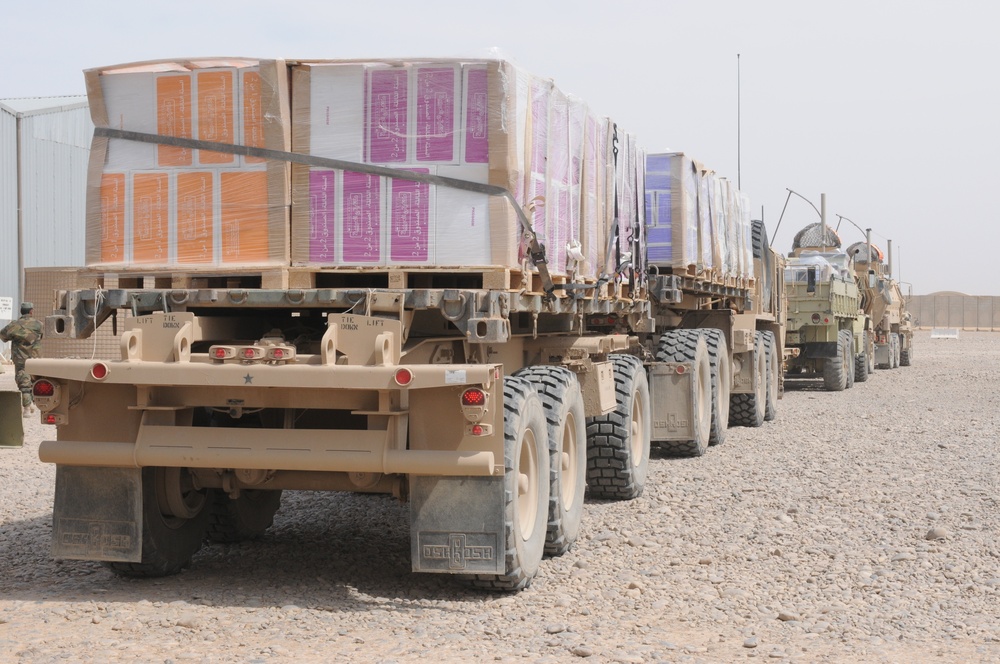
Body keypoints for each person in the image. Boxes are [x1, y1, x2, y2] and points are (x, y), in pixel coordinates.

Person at [1, 302, 44, 417]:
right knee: (36, 380)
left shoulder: (14, 325)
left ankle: (27, 408)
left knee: (23, 382)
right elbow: (41, 335)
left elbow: (3, 336)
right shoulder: (39, 324)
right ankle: (33, 403)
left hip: (21, 358)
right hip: (36, 358)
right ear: (31, 311)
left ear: (21, 311)